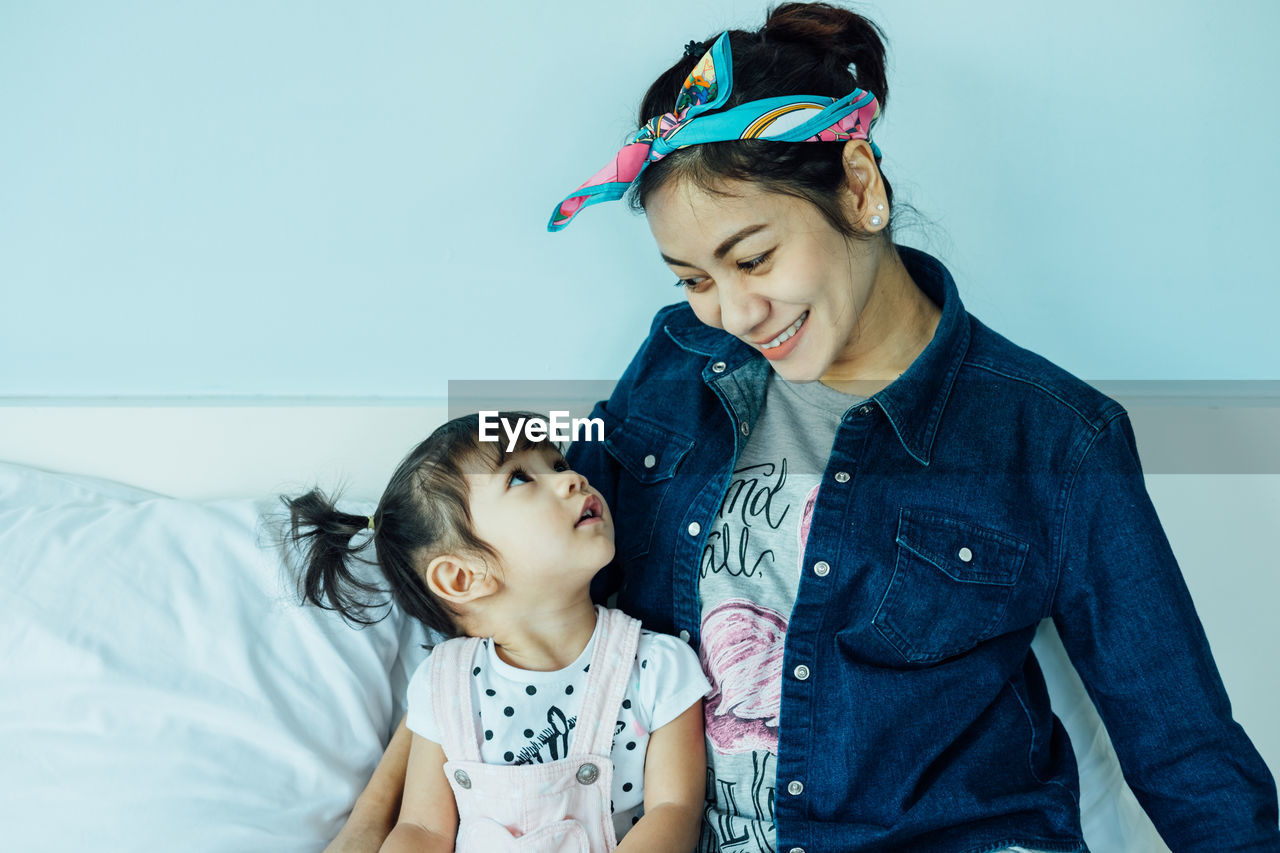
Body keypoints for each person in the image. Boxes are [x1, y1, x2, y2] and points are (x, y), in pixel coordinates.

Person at [327, 5, 1279, 852]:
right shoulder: (677, 361)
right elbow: (513, 614)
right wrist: (370, 825)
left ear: (858, 186)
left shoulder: (1057, 438)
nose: (733, 313)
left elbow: (1182, 741)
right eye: (694, 279)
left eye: (753, 258)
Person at [284, 413, 710, 852]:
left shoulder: (658, 666)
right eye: (521, 479)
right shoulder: (443, 685)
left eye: (559, 465)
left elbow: (675, 811)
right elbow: (423, 830)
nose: (575, 479)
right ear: (463, 578)